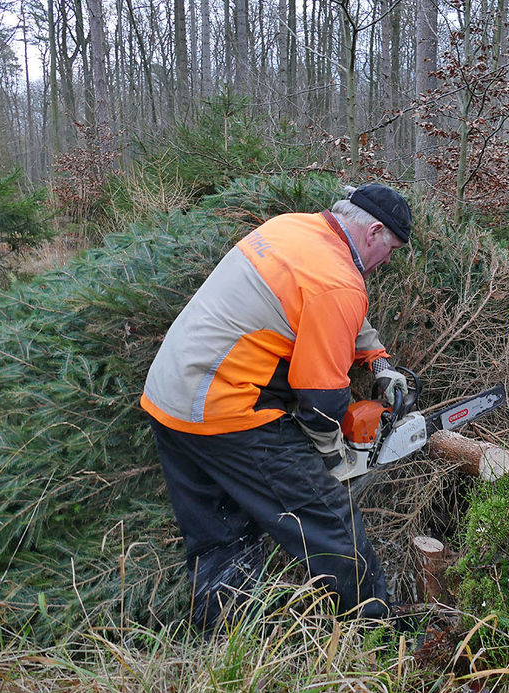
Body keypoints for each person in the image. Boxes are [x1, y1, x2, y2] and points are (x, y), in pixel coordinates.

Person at [140, 183, 412, 632]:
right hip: (225, 407)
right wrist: (334, 459)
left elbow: (329, 301)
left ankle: (223, 649)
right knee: (330, 521)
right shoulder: (338, 281)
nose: (388, 261)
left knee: (219, 538)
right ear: (374, 231)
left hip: (170, 397)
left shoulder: (294, 230)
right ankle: (376, 634)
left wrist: (377, 359)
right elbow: (322, 398)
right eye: (392, 249)